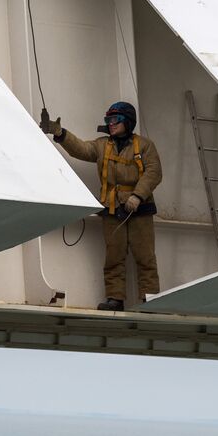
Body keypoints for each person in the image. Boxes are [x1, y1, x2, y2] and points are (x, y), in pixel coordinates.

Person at [42, 102, 162, 311]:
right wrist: (60, 134)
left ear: (128, 121)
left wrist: (138, 195)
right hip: (112, 209)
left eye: (115, 120)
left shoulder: (145, 146)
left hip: (139, 210)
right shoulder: (102, 145)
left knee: (145, 256)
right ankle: (115, 298)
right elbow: (81, 149)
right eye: (108, 120)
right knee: (114, 256)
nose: (111, 124)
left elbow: (154, 172)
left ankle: (149, 298)